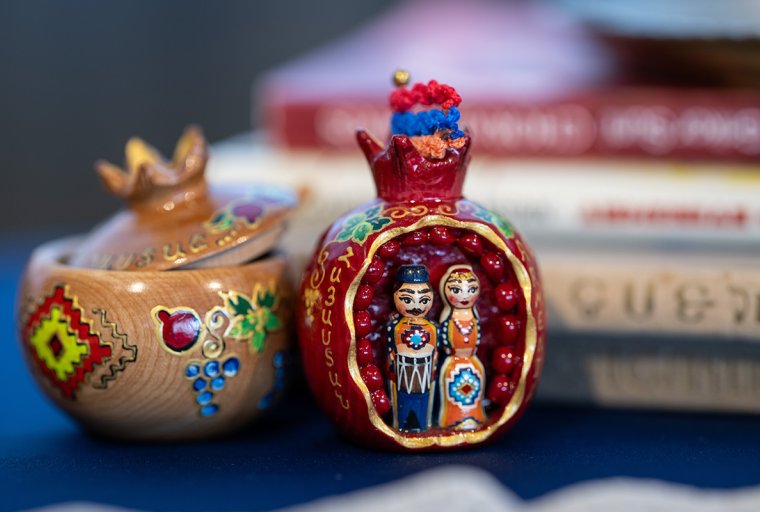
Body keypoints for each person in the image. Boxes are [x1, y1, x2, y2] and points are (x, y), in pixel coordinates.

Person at [386, 264, 437, 432]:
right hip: (402, 376)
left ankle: (422, 425)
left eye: (423, 300)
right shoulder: (394, 327)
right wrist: (392, 369)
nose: (416, 306)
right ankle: (402, 425)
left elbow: (435, 353)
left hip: (425, 375)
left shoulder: (432, 327)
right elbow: (389, 353)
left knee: (423, 401)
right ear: (395, 297)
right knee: (404, 404)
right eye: (407, 300)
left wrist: (432, 369)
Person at [438, 264, 487, 430]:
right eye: (457, 290)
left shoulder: (473, 315)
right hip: (453, 362)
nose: (465, 296)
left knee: (473, 390)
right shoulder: (449, 316)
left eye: (471, 290)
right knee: (452, 392)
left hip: (472, 362)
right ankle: (453, 419)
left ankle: (474, 415)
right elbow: (444, 340)